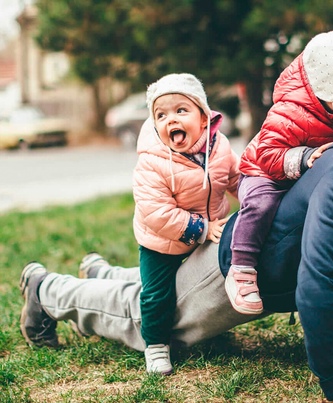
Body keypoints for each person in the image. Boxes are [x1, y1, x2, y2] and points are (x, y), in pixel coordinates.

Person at [19, 88, 333, 403]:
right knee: (145, 320)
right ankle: (46, 291)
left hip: (266, 271)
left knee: (153, 292)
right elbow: (317, 286)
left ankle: (106, 273)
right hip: (237, 272)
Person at [227, 31, 333, 315]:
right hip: (264, 172)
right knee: (261, 205)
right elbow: (266, 154)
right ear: (324, 87)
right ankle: (241, 268)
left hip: (306, 174)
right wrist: (303, 157)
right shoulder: (288, 112)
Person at [131, 73, 239, 375]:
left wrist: (253, 195)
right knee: (157, 293)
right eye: (161, 115)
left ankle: (212, 325)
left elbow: (235, 178)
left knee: (210, 280)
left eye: (181, 110)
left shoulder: (219, 147)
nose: (171, 120)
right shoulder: (152, 161)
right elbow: (156, 212)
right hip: (162, 240)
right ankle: (155, 345)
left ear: (204, 118)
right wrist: (202, 230)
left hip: (210, 227)